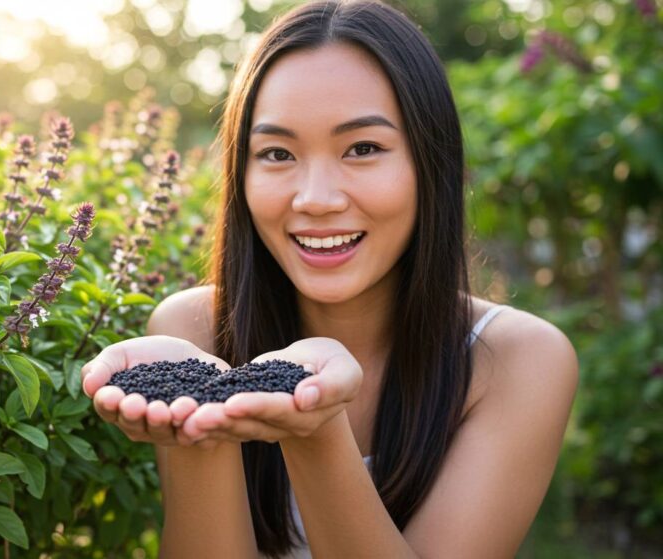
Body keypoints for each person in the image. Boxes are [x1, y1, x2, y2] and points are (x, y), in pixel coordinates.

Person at [80, 1, 579, 557]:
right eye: (276, 153)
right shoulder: (190, 334)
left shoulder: (517, 360)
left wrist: (313, 426)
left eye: (363, 148)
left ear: (430, 164)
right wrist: (202, 422)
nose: (316, 199)